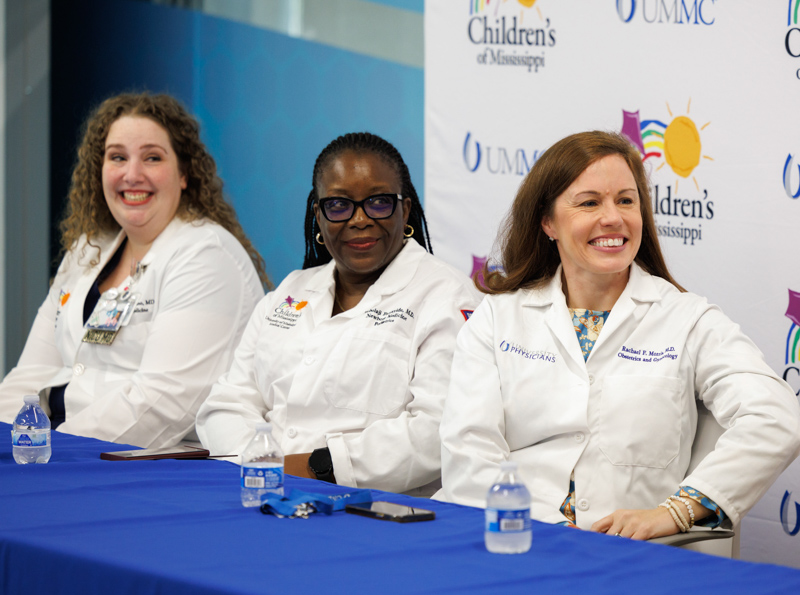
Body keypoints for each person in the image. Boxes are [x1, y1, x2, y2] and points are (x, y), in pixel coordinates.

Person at [436, 130, 800, 538]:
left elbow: (777, 417)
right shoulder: (497, 317)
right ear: (547, 222)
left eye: (626, 200)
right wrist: (553, 533)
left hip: (625, 556)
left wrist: (677, 511)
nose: (612, 217)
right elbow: (469, 455)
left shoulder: (689, 319)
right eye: (589, 202)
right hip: (513, 540)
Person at [196, 132, 481, 495]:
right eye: (339, 205)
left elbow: (435, 429)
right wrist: (258, 463)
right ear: (318, 214)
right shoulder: (290, 291)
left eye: (378, 203)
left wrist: (311, 468)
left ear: (405, 209)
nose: (359, 219)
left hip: (370, 510)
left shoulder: (445, 296)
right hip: (258, 490)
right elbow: (227, 402)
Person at [0, 93, 268, 448]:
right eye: (117, 158)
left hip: (138, 463)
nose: (132, 174)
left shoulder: (207, 257)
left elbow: (162, 402)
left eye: (152, 158)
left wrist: (55, 449)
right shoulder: (87, 250)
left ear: (184, 173)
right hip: (56, 451)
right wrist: (9, 441)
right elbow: (29, 376)